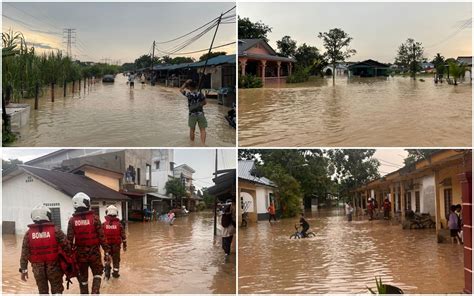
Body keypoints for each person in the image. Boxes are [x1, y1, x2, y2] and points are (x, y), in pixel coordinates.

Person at [19, 205, 72, 294]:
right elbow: (68, 248)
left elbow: (24, 254)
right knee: (57, 291)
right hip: (55, 268)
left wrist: (24, 270)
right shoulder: (56, 231)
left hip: (38, 270)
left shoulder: (28, 234)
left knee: (43, 292)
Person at [67, 192, 110, 294]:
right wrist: (107, 252)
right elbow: (102, 237)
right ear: (86, 204)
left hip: (80, 255)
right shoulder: (95, 218)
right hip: (94, 253)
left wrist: (69, 258)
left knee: (83, 280)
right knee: (97, 274)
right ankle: (95, 292)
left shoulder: (72, 221)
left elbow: (69, 241)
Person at [180, 79, 207, 145]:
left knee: (192, 129)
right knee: (202, 130)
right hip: (200, 114)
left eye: (188, 87)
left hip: (192, 114)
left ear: (189, 87)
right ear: (196, 86)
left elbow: (181, 90)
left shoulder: (189, 94)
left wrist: (186, 82)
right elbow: (205, 102)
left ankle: (192, 143)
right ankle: (203, 144)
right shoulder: (200, 94)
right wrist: (199, 104)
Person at [102, 205, 127, 278]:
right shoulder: (119, 225)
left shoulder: (103, 224)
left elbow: (100, 236)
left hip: (107, 247)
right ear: (116, 213)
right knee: (116, 260)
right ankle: (116, 275)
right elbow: (124, 237)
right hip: (116, 247)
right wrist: (125, 246)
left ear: (107, 213)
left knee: (107, 260)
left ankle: (107, 275)